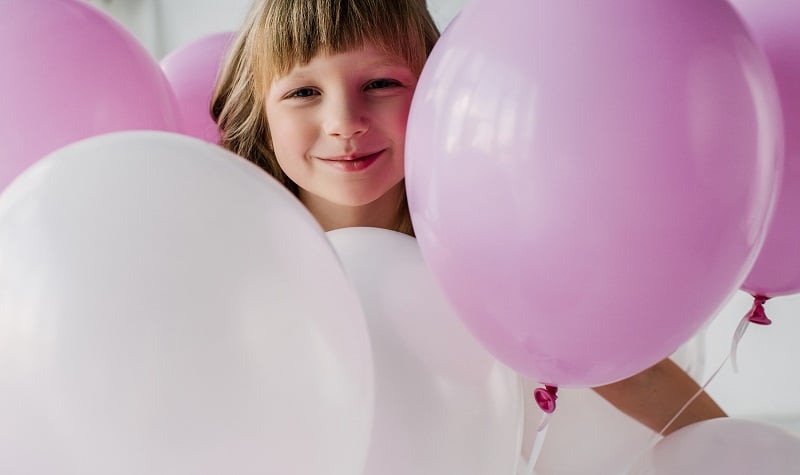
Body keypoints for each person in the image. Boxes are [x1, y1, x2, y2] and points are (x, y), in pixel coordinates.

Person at [211, 0, 725, 457]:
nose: (345, 121)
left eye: (381, 83)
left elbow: (633, 374)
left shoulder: (481, 253)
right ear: (259, 114)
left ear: (439, 90)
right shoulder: (239, 261)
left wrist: (751, 453)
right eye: (303, 91)